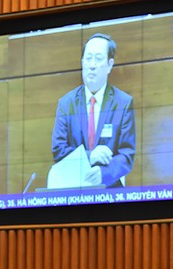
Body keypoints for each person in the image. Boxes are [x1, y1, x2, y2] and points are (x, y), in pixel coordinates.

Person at [51, 33, 136, 188]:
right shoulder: (66, 103)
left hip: (110, 193)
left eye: (98, 58)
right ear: (82, 62)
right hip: (73, 190)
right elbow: (58, 150)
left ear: (110, 65)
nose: (92, 65)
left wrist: (103, 174)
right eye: (88, 58)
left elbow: (127, 155)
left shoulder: (123, 103)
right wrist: (89, 157)